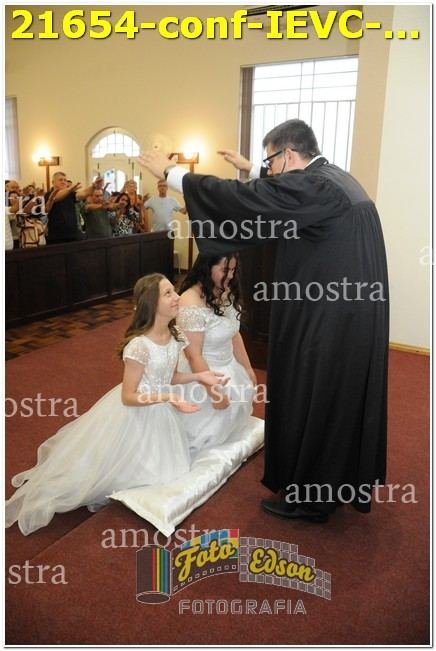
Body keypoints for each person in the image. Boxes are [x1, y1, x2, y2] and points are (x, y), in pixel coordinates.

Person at [139, 118, 389, 523]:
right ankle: (330, 483)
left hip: (326, 321)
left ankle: (311, 499)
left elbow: (248, 199)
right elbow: (283, 197)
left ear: (288, 155)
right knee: (334, 399)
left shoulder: (316, 186)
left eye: (271, 162)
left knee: (315, 395)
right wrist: (255, 169)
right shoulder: (335, 179)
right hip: (348, 317)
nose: (270, 171)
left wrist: (173, 174)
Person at [5, 273, 227, 535]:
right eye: (168, 293)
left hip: (160, 410)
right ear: (151, 303)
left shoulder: (175, 335)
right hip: (135, 411)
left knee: (167, 469)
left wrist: (199, 376)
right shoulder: (139, 346)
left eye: (174, 291)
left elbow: (171, 377)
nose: (177, 297)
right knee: (103, 471)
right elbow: (128, 396)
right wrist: (167, 397)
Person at [176, 254, 262, 455]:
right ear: (207, 267)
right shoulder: (190, 301)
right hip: (202, 372)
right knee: (203, 435)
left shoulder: (224, 289)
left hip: (229, 366)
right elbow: (194, 356)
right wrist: (214, 392)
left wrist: (247, 368)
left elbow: (233, 333)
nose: (231, 276)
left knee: (233, 420)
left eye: (233, 270)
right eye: (225, 270)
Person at [45, 172, 95, 244]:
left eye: (65, 180)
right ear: (53, 182)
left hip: (72, 234)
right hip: (56, 236)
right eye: (60, 180)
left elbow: (83, 194)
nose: (63, 182)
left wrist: (94, 186)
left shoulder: (70, 194)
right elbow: (57, 197)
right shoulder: (49, 194)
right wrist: (70, 189)